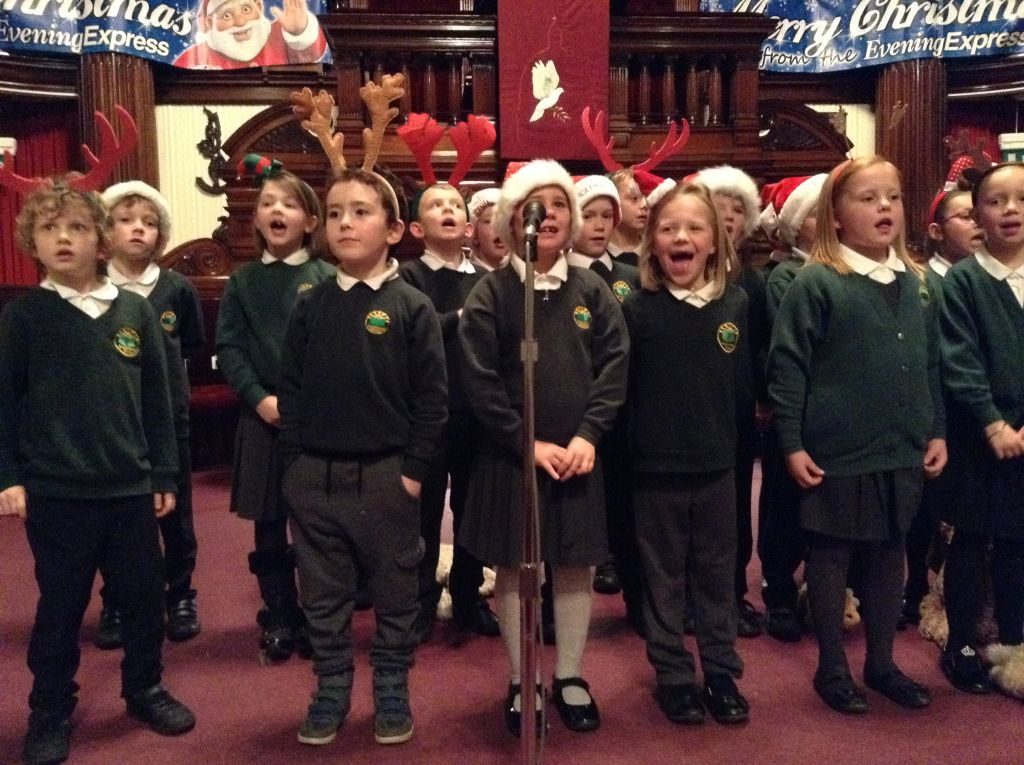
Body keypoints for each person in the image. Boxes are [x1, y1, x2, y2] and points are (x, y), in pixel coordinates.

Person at [0, 177, 195, 765]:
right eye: (49, 228)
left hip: (129, 487)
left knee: (143, 598)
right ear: (32, 241)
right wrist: (8, 475)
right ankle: (49, 708)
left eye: (77, 227)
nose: (63, 237)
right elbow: (4, 403)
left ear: (101, 239)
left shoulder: (134, 311)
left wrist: (163, 473)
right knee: (61, 606)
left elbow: (158, 400)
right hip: (57, 491)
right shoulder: (23, 317)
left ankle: (145, 688)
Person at [768, 156, 947, 715]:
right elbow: (787, 368)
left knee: (890, 552)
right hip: (837, 448)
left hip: (902, 444)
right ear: (836, 216)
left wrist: (936, 429)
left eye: (892, 197)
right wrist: (792, 443)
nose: (884, 207)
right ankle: (831, 667)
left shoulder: (918, 283)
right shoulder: (817, 282)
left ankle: (882, 663)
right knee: (833, 555)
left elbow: (931, 365)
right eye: (868, 198)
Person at [458, 160, 629, 736]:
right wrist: (523, 441)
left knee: (575, 564)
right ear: (512, 220)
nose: (548, 214)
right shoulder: (492, 293)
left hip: (578, 456)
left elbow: (614, 366)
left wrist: (588, 435)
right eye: (536, 205)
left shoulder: (591, 290)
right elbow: (480, 379)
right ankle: (522, 676)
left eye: (559, 204)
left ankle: (571, 673)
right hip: (513, 456)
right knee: (515, 567)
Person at [278, 167, 447, 747]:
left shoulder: (411, 306)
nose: (344, 223)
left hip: (386, 477)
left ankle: (392, 684)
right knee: (323, 593)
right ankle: (331, 686)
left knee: (396, 590)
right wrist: (294, 466)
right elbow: (291, 390)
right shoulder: (310, 305)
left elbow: (432, 400)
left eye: (360, 212)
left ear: (395, 229)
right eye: (334, 213)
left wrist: (413, 473)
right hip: (314, 477)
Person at [624, 180, 751, 727]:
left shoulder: (735, 303)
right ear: (652, 243)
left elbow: (743, 387)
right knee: (663, 577)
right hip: (655, 469)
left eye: (695, 228)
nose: (682, 237)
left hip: (717, 465)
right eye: (669, 228)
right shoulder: (637, 308)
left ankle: (721, 671)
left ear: (715, 242)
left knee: (717, 574)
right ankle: (673, 674)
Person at [215, 160, 334, 662]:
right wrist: (259, 398)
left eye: (289, 203)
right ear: (258, 221)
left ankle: (319, 614)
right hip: (262, 418)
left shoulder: (327, 277)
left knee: (317, 523)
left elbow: (338, 350)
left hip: (317, 424)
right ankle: (280, 612)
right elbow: (230, 348)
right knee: (269, 524)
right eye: (267, 204)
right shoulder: (243, 282)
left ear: (311, 221)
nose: (276, 210)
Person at [98, 181, 206, 646]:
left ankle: (179, 594)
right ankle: (117, 599)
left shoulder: (176, 288)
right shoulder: (94, 290)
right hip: (113, 423)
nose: (138, 229)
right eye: (125, 221)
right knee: (116, 517)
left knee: (174, 513)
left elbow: (192, 346)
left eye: (148, 222)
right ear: (106, 231)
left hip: (168, 419)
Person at [400, 181, 499, 642]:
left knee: (472, 510)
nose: (447, 210)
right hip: (428, 414)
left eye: (456, 205)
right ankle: (419, 599)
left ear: (469, 226)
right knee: (422, 513)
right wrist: (458, 319)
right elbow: (412, 336)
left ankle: (467, 594)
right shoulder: (408, 278)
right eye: (435, 205)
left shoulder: (485, 280)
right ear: (417, 228)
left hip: (476, 413)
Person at [939, 163, 1024, 695]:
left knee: (1018, 540)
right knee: (971, 539)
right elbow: (958, 358)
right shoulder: (965, 281)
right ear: (978, 215)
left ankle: (1013, 643)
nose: (1011, 210)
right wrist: (993, 423)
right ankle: (963, 645)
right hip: (978, 436)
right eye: (996, 202)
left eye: (1022, 199)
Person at [899, 185, 985, 630]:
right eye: (965, 216)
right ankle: (914, 585)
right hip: (933, 410)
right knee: (924, 508)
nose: (977, 224)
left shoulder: (988, 277)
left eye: (978, 214)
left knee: (966, 511)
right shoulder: (920, 282)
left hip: (975, 415)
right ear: (936, 231)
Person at [568, 174, 644, 634]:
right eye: (588, 216)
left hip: (626, 412)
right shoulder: (560, 278)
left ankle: (638, 597)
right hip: (575, 417)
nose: (598, 226)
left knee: (628, 508)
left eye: (606, 216)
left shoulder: (632, 278)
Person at [693, 164, 766, 639]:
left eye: (737, 209)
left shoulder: (753, 284)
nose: (729, 217)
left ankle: (732, 593)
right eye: (718, 208)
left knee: (735, 510)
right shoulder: (679, 282)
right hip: (690, 413)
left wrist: (761, 400)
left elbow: (761, 348)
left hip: (737, 415)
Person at [756, 173, 826, 643]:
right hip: (796, 411)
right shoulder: (785, 277)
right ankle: (778, 588)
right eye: (816, 213)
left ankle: (826, 593)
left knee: (827, 510)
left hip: (833, 417)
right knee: (783, 505)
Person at [173, 0, 329, 69]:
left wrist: (299, 31)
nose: (240, 22)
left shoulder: (279, 32)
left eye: (246, 9)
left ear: (259, 7)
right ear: (209, 22)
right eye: (227, 15)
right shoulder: (194, 58)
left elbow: (312, 54)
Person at [607, 168, 648, 267]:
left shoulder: (656, 252)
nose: (645, 204)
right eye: (634, 198)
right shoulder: (597, 253)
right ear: (613, 200)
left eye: (648, 197)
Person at [468, 187, 508, 272]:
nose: (499, 226)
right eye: (489, 221)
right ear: (474, 234)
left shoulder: (524, 274)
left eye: (504, 220)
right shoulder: (464, 276)